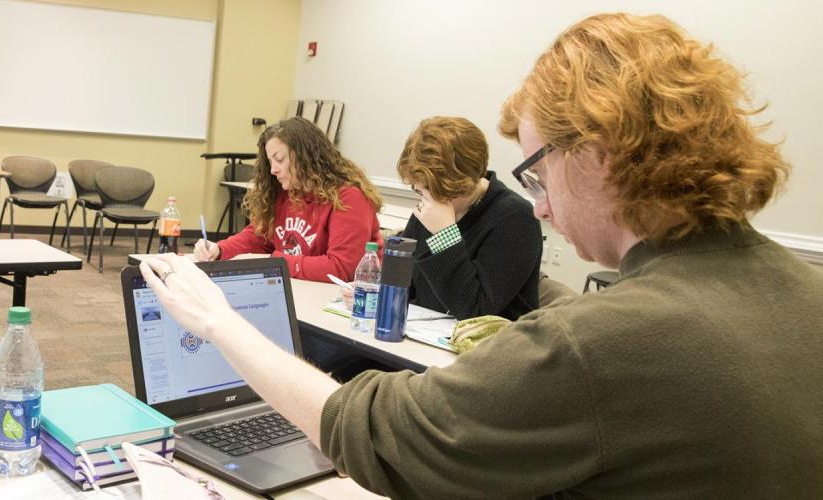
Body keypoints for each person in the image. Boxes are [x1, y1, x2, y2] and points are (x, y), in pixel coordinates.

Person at [139, 12, 823, 497]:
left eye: (539, 170)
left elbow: (396, 404)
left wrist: (218, 320)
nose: (544, 202)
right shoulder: (804, 297)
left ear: (596, 156)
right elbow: (390, 271)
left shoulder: (568, 292)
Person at [342, 116, 543, 320]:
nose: (425, 198)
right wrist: (373, 292)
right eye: (418, 190)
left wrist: (444, 235)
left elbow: (475, 310)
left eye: (430, 190)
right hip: (419, 339)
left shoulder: (516, 218)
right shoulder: (429, 206)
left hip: (485, 346)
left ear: (462, 183)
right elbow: (399, 282)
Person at [194, 117, 383, 282]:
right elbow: (258, 236)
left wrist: (275, 262)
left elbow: (341, 268)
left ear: (306, 157)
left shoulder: (348, 197)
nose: (273, 170)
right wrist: (219, 249)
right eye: (270, 162)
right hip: (300, 288)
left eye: (280, 159)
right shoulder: (287, 191)